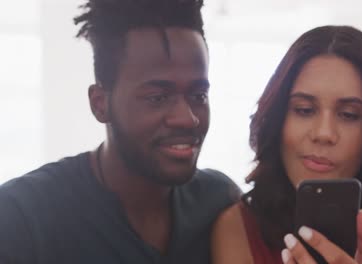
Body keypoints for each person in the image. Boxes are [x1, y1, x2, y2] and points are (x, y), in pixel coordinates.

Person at [0, 0, 240, 263]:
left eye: (198, 95)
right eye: (158, 97)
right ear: (100, 103)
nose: (187, 118)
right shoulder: (22, 218)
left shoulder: (219, 204)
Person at [211, 25, 362, 264]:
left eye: (349, 115)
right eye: (304, 110)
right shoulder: (238, 228)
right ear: (277, 119)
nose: (324, 133)